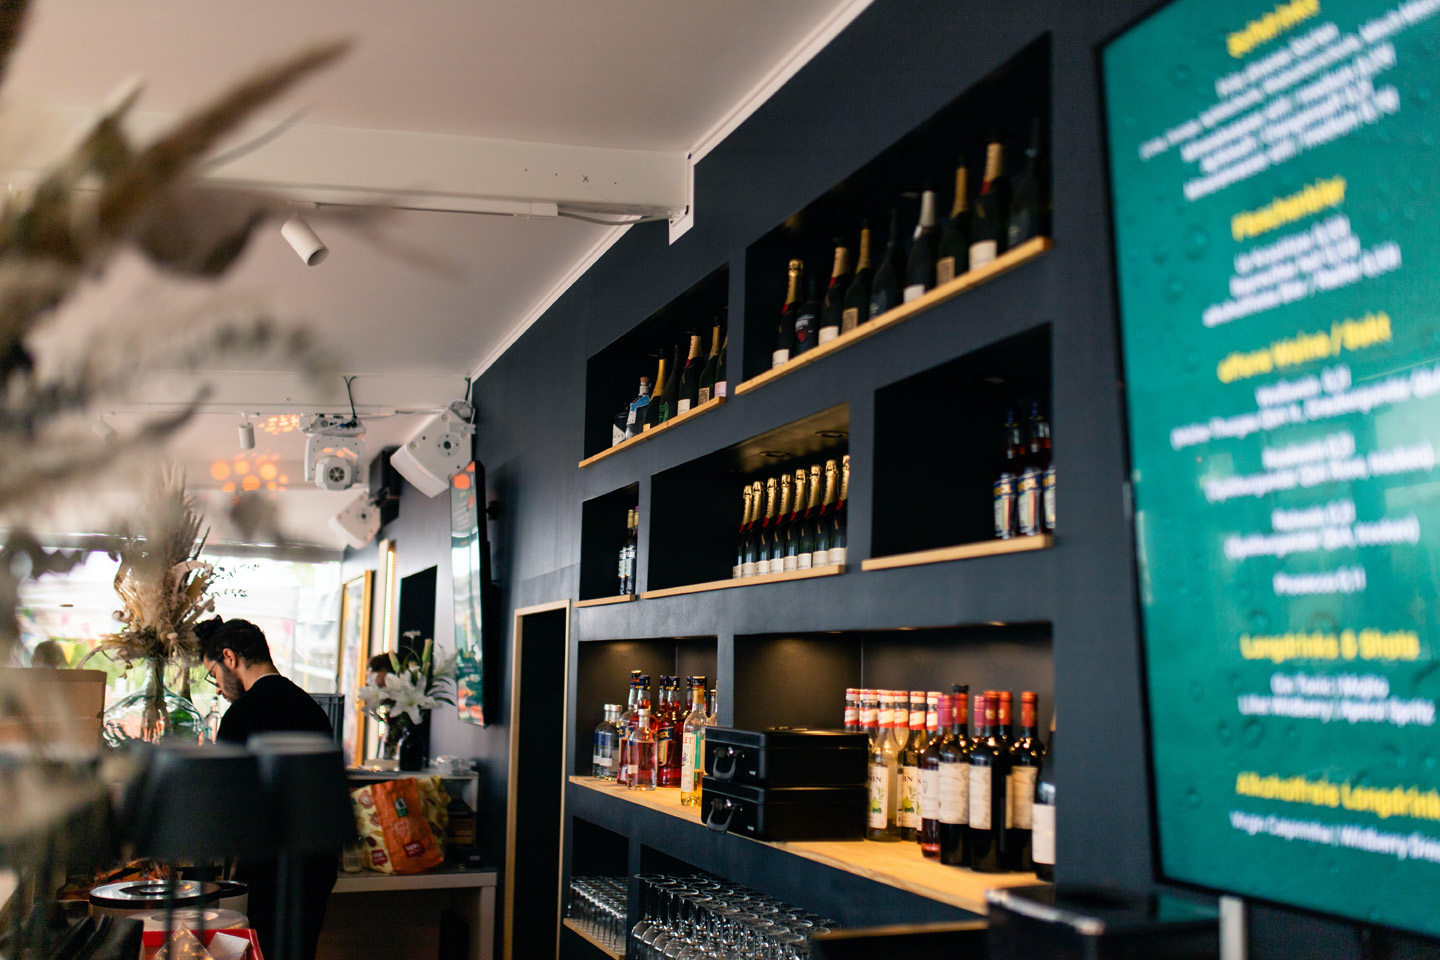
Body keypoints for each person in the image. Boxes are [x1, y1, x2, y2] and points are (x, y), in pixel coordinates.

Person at [197, 616, 338, 960]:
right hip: (316, 867)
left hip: (265, 868)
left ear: (229, 657)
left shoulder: (241, 715)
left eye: (213, 674)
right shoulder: (312, 709)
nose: (218, 688)